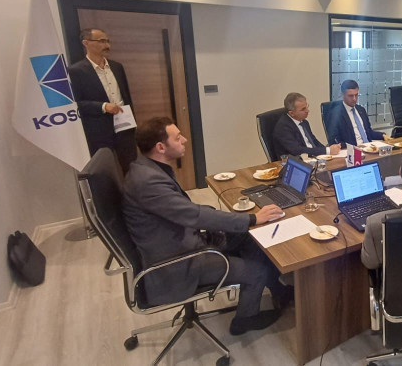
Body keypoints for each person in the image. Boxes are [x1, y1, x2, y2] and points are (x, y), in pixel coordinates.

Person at [123, 117, 292, 335]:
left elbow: (184, 210)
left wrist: (224, 220)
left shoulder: (148, 168)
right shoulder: (148, 182)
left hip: (182, 242)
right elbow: (193, 215)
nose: (184, 140)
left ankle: (279, 291)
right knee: (258, 268)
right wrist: (252, 218)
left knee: (251, 239)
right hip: (178, 264)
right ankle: (245, 319)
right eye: (178, 138)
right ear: (160, 147)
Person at [68, 28, 137, 173]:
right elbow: (76, 104)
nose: (107, 45)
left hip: (124, 124)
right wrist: (103, 106)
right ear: (86, 43)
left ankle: (133, 188)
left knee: (131, 165)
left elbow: (126, 96)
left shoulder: (117, 67)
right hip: (98, 129)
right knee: (104, 169)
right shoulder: (76, 71)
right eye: (101, 41)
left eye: (108, 41)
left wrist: (133, 121)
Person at [272, 92, 341, 158]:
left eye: (307, 106)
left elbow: (314, 141)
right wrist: (327, 151)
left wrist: (329, 149)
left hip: (313, 158)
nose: (307, 111)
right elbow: (297, 150)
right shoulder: (283, 127)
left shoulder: (304, 122)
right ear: (292, 113)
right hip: (296, 161)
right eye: (303, 109)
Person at [325, 80, 388, 146]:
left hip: (369, 147)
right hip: (353, 149)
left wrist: (382, 135)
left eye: (356, 95)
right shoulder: (335, 115)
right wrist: (354, 147)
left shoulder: (361, 110)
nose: (354, 99)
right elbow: (334, 141)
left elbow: (368, 132)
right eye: (351, 96)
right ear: (343, 95)